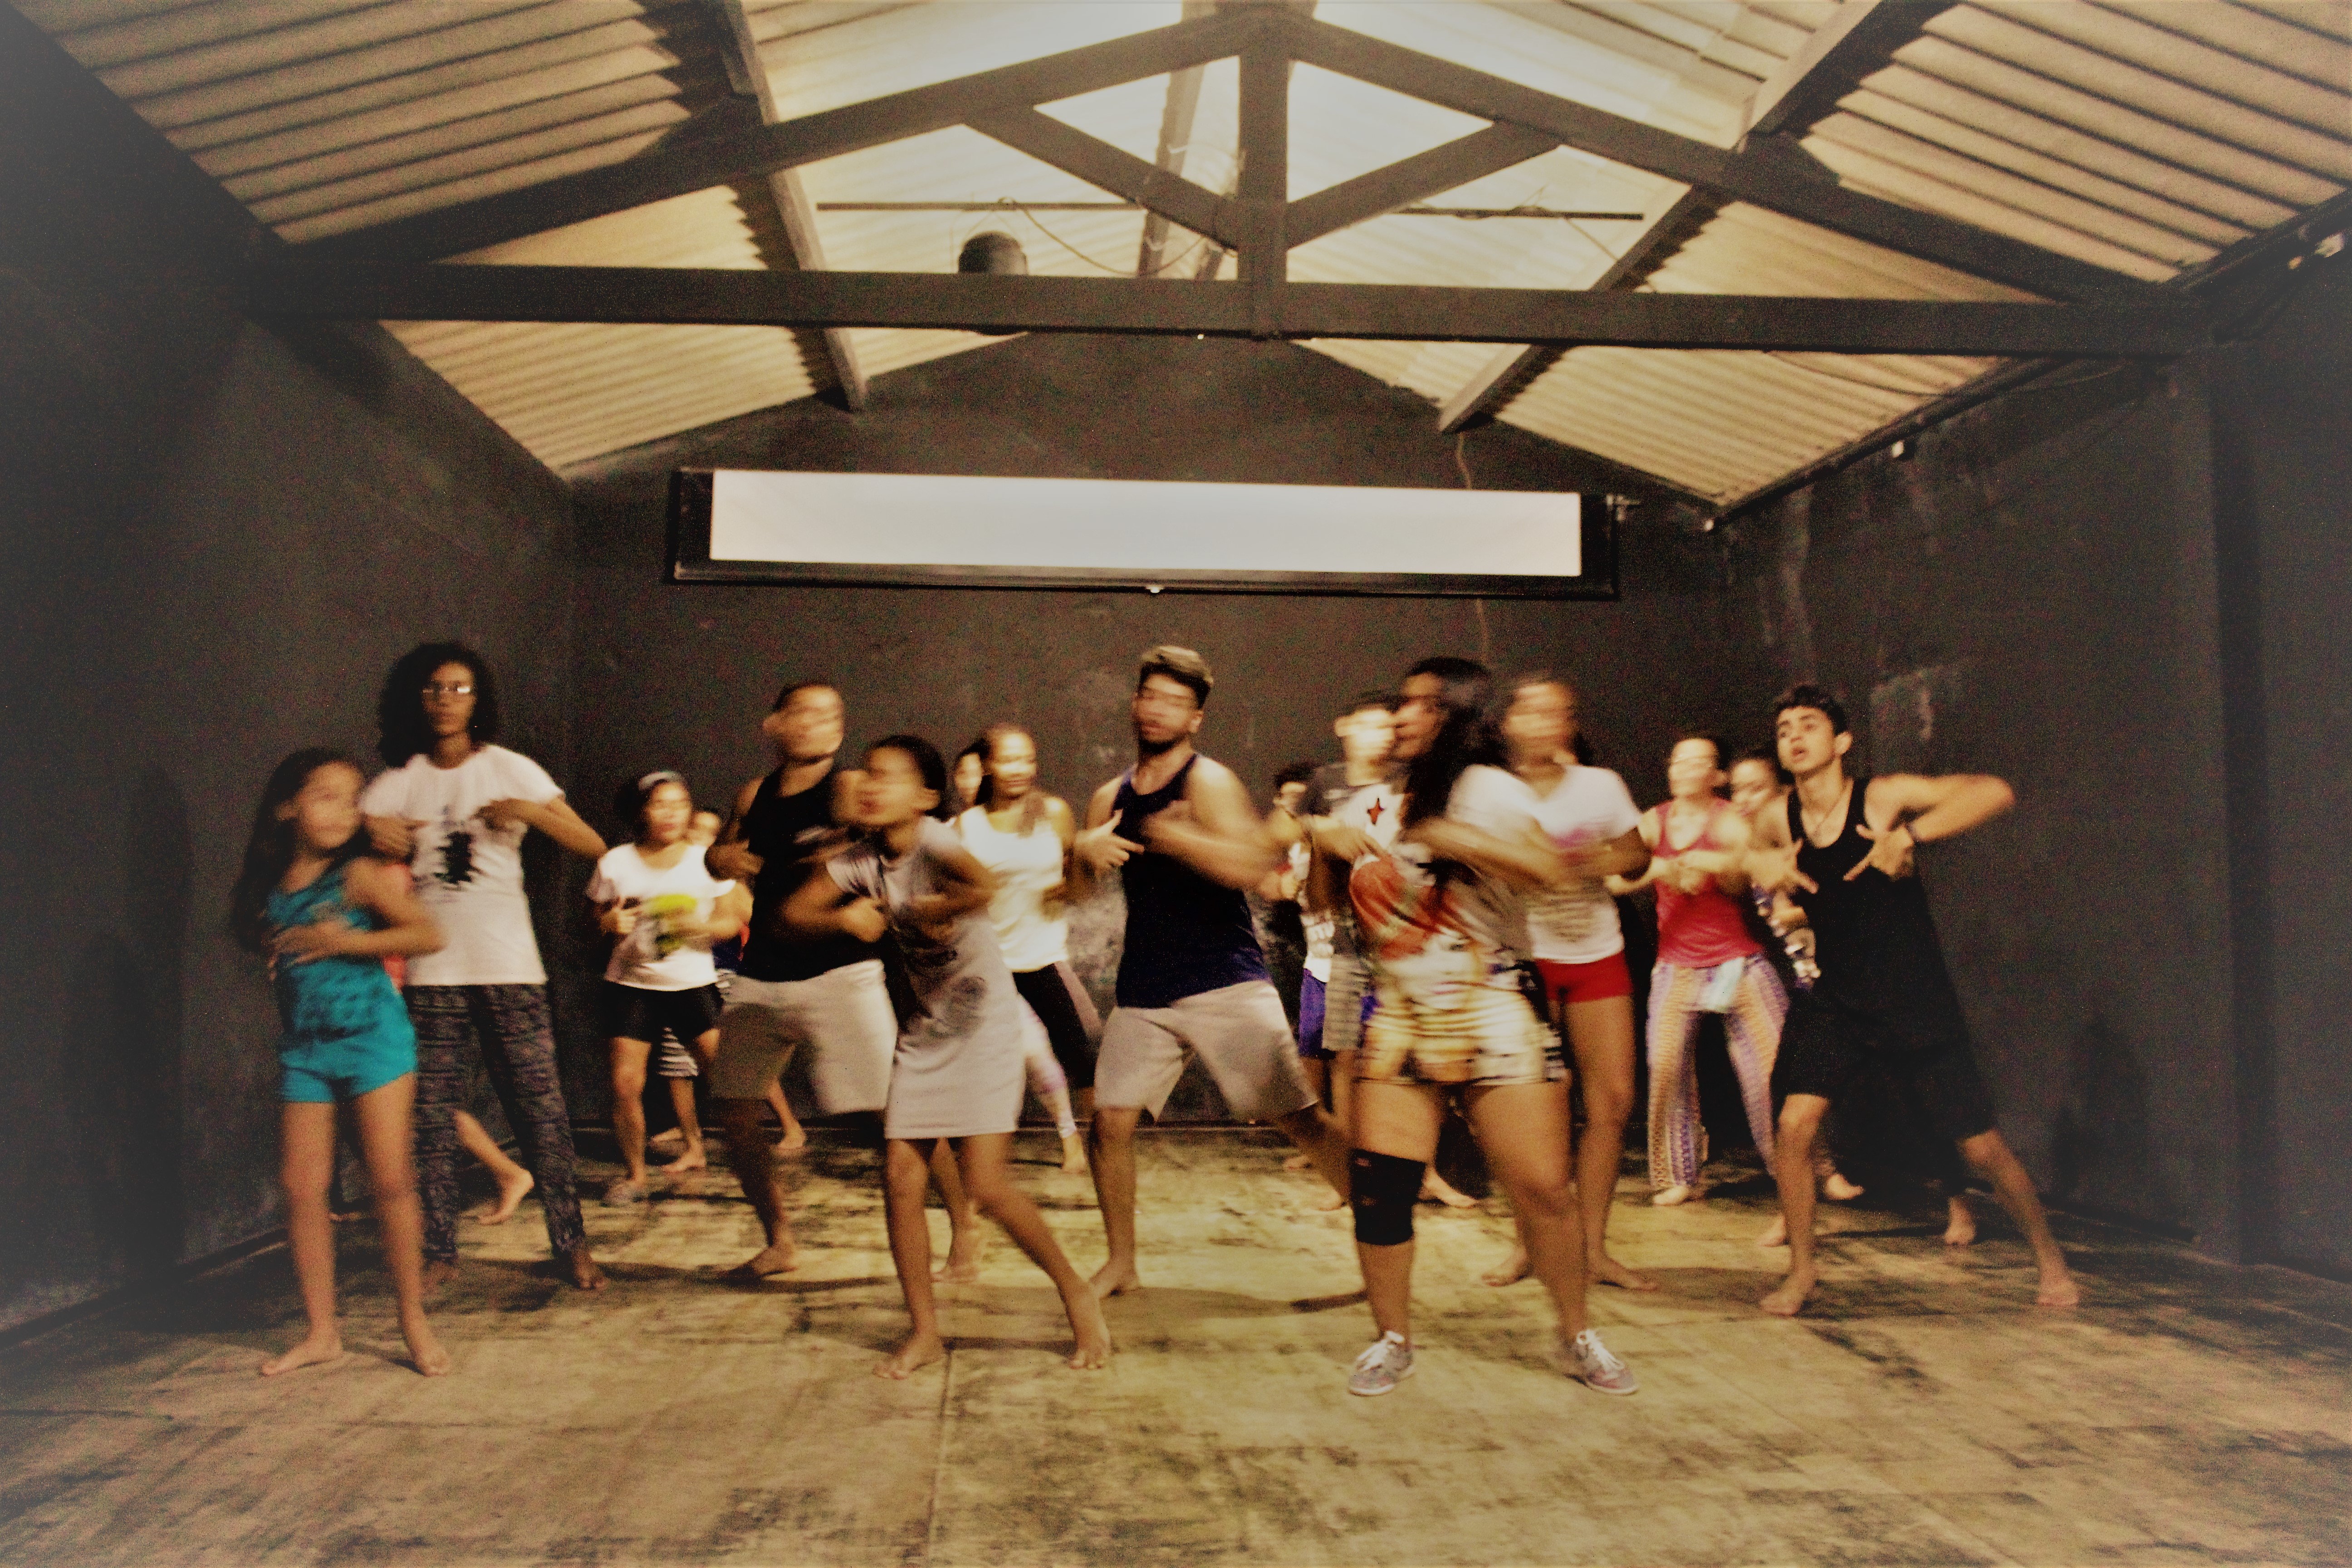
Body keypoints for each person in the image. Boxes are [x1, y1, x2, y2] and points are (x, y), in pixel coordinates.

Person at [1332, 658, 1636, 1396]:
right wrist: (1319, 845)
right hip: (1401, 1011)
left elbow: (1546, 869)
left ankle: (1576, 1333)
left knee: (1544, 1190)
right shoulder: (1371, 804)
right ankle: (1392, 1339)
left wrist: (1453, 838)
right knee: (1381, 1189)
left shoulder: (1489, 790)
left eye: (1423, 705)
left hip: (1495, 1003)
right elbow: (1332, 897)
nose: (1404, 717)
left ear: (1457, 716)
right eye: (1402, 703)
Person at [787, 736, 1112, 1378]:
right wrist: (845, 920)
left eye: (888, 776)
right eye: (868, 774)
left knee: (987, 1187)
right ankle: (925, 1333)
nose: (871, 785)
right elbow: (794, 913)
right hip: (925, 1034)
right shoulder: (863, 860)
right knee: (900, 1179)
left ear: (926, 796)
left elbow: (983, 886)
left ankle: (1076, 1292)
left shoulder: (935, 841)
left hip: (985, 1028)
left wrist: (942, 904)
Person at [1747, 685, 2077, 1315]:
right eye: (1785, 728)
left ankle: (2051, 1261)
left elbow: (1993, 792)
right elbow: (1725, 845)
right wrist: (1755, 863)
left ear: (1842, 741)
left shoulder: (1882, 796)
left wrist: (1909, 837)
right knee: (1793, 1126)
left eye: (1809, 724)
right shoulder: (1776, 817)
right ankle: (1803, 1273)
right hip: (1837, 998)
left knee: (1980, 1148)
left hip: (1911, 995)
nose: (1795, 736)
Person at [1072, 646, 1352, 1298]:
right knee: (1110, 1125)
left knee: (1301, 1120)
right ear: (1135, 703)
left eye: (1175, 702)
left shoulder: (1208, 782)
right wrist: (1081, 851)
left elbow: (1250, 868)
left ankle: (1382, 1225)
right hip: (1146, 985)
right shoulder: (1109, 795)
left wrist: (1181, 837)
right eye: (1150, 696)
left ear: (1195, 718)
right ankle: (1122, 1262)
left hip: (1223, 979)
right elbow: (1079, 892)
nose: (1158, 710)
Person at [362, 643, 607, 1292]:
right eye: (434, 688)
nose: (447, 700)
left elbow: (593, 844)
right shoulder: (401, 778)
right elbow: (350, 839)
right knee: (432, 1118)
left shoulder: (510, 768)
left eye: (460, 688)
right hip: (432, 971)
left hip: (509, 964)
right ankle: (440, 1248)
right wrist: (370, 832)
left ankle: (571, 1243)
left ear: (479, 700)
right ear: (416, 698)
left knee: (541, 1112)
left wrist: (528, 811)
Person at [232, 750, 451, 1377]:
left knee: (390, 1180)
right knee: (302, 1188)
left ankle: (413, 1320)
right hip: (307, 1049)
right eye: (325, 796)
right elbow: (273, 945)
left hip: (374, 1042)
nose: (342, 810)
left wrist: (346, 942)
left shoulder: (356, 875)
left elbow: (427, 935)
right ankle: (322, 1332)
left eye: (352, 799)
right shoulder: (272, 889)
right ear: (287, 806)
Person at [704, 681, 898, 1277]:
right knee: (735, 1109)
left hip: (839, 971)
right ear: (775, 725)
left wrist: (867, 900)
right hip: (765, 972)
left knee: (896, 1121)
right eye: (808, 713)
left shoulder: (848, 788)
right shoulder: (754, 793)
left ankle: (963, 1230)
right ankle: (780, 1241)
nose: (823, 723)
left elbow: (899, 844)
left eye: (833, 715)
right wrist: (718, 858)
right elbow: (722, 854)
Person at [1487, 673, 1654, 1292]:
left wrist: (1592, 861)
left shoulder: (1599, 785)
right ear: (1508, 722)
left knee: (1612, 1102)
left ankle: (1592, 1248)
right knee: (1535, 1114)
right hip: (1524, 960)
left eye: (1558, 713)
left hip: (1596, 953)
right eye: (1532, 711)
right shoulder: (1490, 789)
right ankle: (1528, 1243)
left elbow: (1636, 857)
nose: (1545, 723)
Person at [1604, 735, 1784, 1206]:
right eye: (1678, 761)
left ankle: (1807, 1167)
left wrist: (1714, 863)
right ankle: (1677, 1176)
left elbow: (1747, 874)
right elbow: (1613, 877)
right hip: (1677, 965)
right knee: (1666, 1068)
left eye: (1696, 762)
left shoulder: (1728, 819)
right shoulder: (1654, 821)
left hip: (1737, 962)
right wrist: (1661, 869)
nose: (1683, 769)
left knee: (1773, 1070)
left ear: (1717, 775)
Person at [588, 772, 740, 1205]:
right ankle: (635, 1177)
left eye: (680, 803)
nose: (672, 813)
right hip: (630, 985)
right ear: (643, 812)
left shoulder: (708, 860)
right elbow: (593, 919)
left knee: (730, 1083)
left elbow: (731, 919)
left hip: (692, 984)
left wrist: (703, 927)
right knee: (625, 1084)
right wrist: (607, 923)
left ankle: (753, 1172)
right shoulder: (615, 862)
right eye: (660, 804)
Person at [956, 724, 1095, 1174]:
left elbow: (1078, 887)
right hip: (988, 962)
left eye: (1027, 759)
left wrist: (1075, 876)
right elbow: (955, 895)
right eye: (1008, 759)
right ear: (988, 766)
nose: (1019, 769)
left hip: (1043, 958)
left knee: (1081, 1058)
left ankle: (1101, 1151)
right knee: (1002, 1066)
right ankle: (982, 1169)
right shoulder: (967, 826)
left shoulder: (1054, 813)